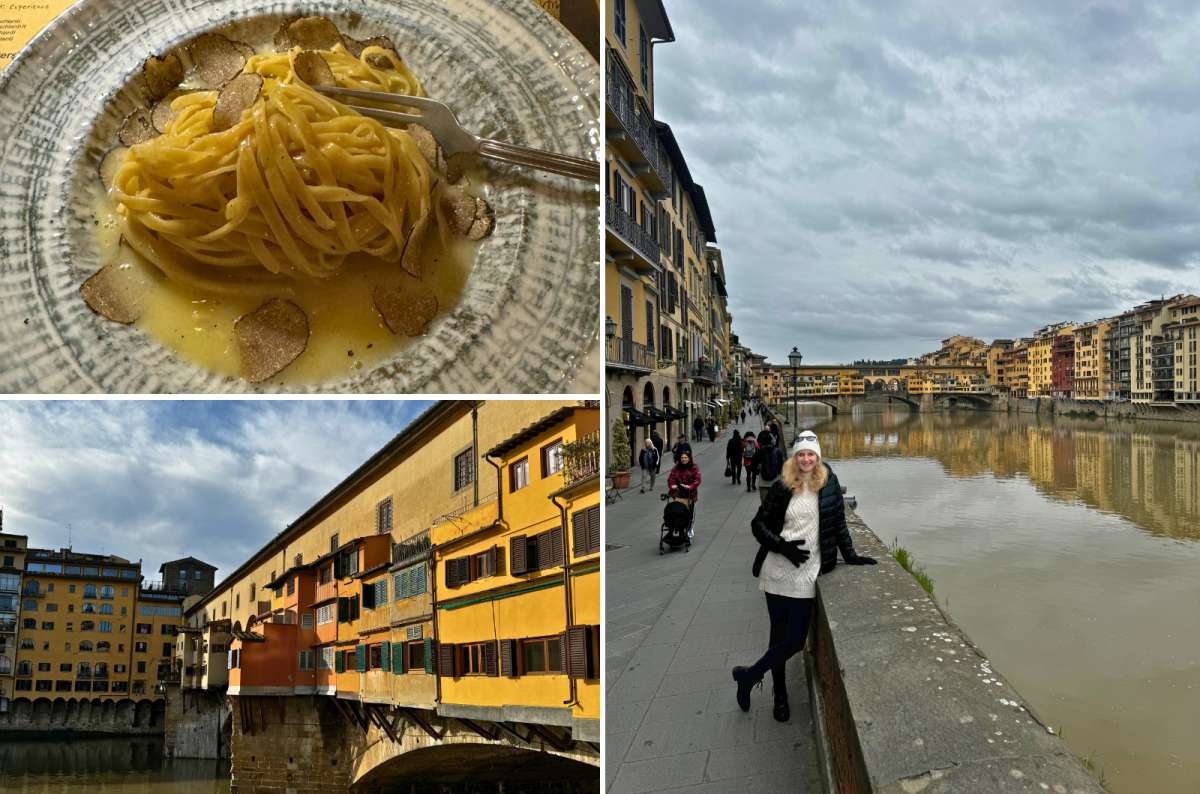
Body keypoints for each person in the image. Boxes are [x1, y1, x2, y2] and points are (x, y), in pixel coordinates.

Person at [733, 431, 877, 721]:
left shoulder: (829, 483)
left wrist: (851, 555)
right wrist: (782, 546)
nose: (806, 459)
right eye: (801, 454)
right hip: (777, 569)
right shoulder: (783, 484)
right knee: (778, 637)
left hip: (808, 572)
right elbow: (758, 525)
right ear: (795, 457)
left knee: (795, 641)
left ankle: (749, 677)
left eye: (811, 454)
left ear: (818, 457)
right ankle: (780, 695)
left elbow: (838, 523)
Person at [667, 451, 702, 537]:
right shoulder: (676, 468)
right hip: (678, 493)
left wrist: (690, 486)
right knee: (677, 511)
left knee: (689, 512)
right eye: (682, 458)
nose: (683, 459)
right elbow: (671, 478)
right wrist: (672, 485)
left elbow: (697, 479)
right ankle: (677, 527)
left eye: (685, 457)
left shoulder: (694, 467)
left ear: (689, 458)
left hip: (689, 494)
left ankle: (689, 528)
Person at [753, 430, 784, 505]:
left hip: (763, 483)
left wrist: (758, 470)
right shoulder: (778, 451)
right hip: (776, 483)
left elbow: (753, 466)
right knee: (775, 505)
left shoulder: (759, 452)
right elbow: (781, 467)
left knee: (765, 505)